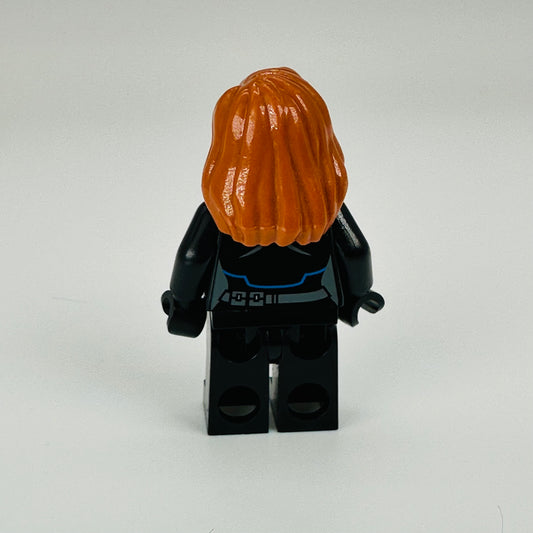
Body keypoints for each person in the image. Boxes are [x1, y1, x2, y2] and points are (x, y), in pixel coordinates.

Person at [162, 68, 384, 435]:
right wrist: (357, 297)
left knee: (235, 372)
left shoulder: (219, 214)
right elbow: (357, 253)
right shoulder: (327, 212)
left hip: (237, 306)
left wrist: (184, 308)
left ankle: (237, 412)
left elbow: (192, 259)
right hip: (313, 305)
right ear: (318, 141)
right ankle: (306, 410)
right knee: (311, 369)